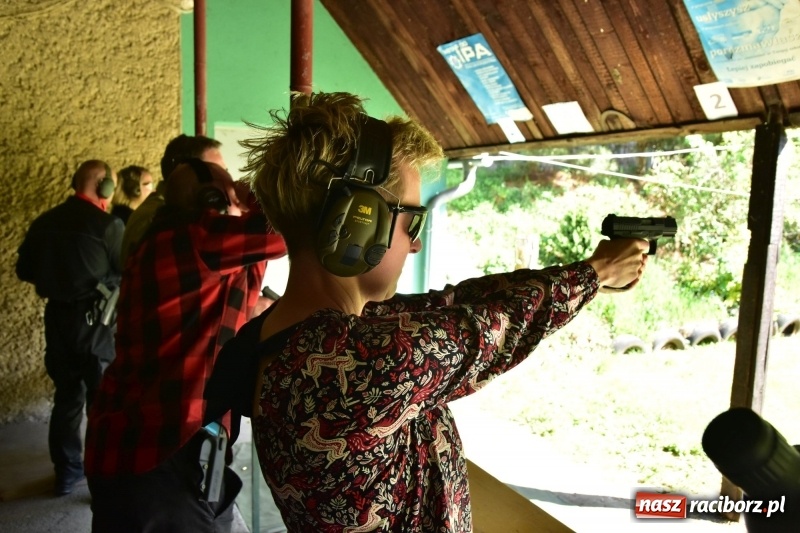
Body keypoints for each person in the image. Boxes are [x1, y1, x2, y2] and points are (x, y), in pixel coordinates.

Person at [203, 91, 649, 533]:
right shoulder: (352, 361)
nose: (415, 242)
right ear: (359, 222)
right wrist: (595, 273)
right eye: (410, 221)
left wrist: (593, 276)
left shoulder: (293, 333)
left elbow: (456, 303)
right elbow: (493, 328)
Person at [84, 158, 287, 533]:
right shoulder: (194, 239)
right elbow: (287, 232)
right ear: (210, 200)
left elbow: (253, 268)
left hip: (156, 450)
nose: (237, 207)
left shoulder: (176, 241)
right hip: (156, 454)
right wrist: (253, 195)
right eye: (227, 196)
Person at [15, 159, 124, 496]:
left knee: (66, 398)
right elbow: (127, 269)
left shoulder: (44, 222)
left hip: (57, 320)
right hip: (95, 324)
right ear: (104, 185)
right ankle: (101, 476)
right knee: (100, 402)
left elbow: (24, 270)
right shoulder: (108, 226)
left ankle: (66, 474)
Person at [120, 134, 225, 264]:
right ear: (185, 172)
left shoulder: (171, 209)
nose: (224, 178)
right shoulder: (157, 218)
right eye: (214, 171)